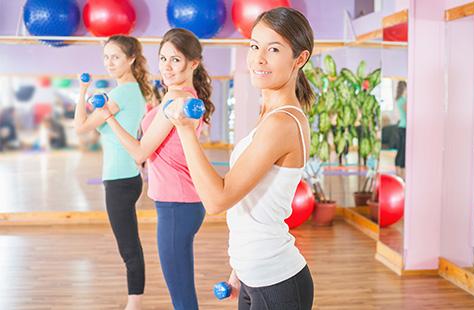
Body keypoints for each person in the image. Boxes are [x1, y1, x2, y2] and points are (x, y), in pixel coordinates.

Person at [166, 7, 315, 309]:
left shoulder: (281, 123)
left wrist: (184, 130)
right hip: (252, 274)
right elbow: (255, 204)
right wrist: (239, 269)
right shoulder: (269, 116)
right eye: (254, 46)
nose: (258, 58)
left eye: (273, 49)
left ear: (300, 59)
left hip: (277, 282)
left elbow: (217, 201)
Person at [102, 28, 215, 309]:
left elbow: (141, 152)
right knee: (180, 291)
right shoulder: (179, 95)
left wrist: (109, 118)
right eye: (162, 58)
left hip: (177, 205)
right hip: (181, 203)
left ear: (193, 63)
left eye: (175, 60)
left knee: (182, 297)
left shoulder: (177, 100)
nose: (166, 66)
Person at [73, 35, 152, 310]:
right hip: (127, 177)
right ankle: (135, 300)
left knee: (129, 247)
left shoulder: (119, 95)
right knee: (129, 245)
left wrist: (82, 89)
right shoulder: (134, 91)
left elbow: (80, 127)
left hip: (120, 180)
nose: (109, 62)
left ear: (131, 59)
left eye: (115, 57)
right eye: (106, 57)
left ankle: (134, 304)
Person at [395, 80, 407, 179]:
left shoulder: (399, 100)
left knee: (400, 150)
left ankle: (398, 171)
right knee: (403, 150)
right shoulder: (403, 100)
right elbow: (408, 112)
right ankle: (402, 172)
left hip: (401, 126)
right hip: (404, 127)